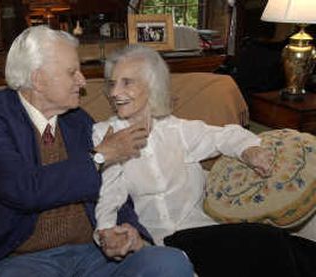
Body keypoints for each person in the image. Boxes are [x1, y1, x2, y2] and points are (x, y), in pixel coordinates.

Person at [0, 26, 194, 277]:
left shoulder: (78, 121)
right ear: (38, 79)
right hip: (19, 260)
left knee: (168, 264)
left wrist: (128, 232)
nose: (82, 81)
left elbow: (112, 187)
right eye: (71, 72)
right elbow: (21, 189)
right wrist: (100, 157)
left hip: (91, 255)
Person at [94, 45, 316, 277]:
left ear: (152, 86)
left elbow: (224, 136)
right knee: (266, 240)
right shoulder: (106, 136)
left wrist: (248, 150)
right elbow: (108, 192)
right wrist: (106, 231)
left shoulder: (175, 129)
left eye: (127, 82)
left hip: (203, 231)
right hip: (162, 244)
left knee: (290, 247)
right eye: (112, 83)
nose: (115, 92)